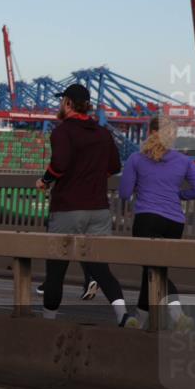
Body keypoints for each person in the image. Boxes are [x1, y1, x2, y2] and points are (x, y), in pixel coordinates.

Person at [36, 84, 137, 327]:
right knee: (100, 267)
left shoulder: (62, 132)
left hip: (67, 208)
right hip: (99, 209)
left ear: (68, 103)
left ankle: (48, 321)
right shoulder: (103, 133)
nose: (61, 105)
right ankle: (123, 315)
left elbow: (59, 164)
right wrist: (91, 171)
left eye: (62, 102)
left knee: (56, 268)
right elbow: (114, 167)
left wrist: (44, 181)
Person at [119, 115, 195, 331]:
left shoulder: (136, 159)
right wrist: (180, 196)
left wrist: (141, 187)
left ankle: (178, 316)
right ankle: (140, 323)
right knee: (152, 272)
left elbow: (124, 193)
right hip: (174, 222)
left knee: (153, 270)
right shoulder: (184, 161)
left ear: (150, 132)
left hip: (147, 219)